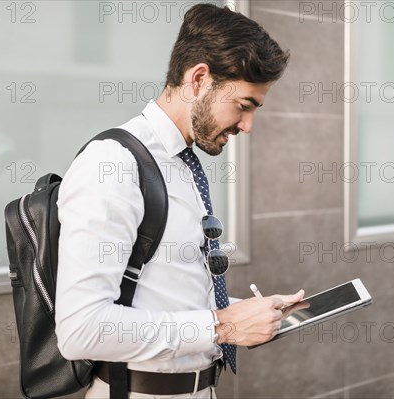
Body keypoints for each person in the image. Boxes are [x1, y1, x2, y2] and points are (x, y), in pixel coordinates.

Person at [55, 4, 306, 398]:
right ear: (199, 79)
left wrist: (249, 313)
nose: (248, 126)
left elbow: (169, 292)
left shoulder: (182, 161)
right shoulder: (113, 164)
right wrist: (222, 326)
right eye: (243, 105)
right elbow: (81, 329)